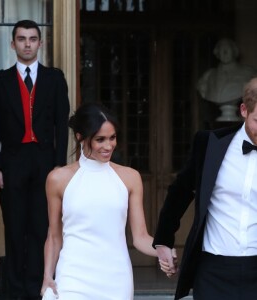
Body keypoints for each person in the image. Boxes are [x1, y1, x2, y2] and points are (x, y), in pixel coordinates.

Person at [0, 20, 70, 300]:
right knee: (14, 226)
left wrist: (59, 165)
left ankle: (37, 287)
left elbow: (61, 122)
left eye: (32, 39)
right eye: (21, 39)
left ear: (40, 43)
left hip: (45, 163)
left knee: (40, 226)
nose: (27, 44)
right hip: (12, 162)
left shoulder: (55, 79)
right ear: (13, 44)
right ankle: (15, 291)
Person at [40, 102, 160, 300]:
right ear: (80, 137)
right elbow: (53, 236)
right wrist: (47, 276)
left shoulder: (130, 177)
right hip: (72, 277)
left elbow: (140, 237)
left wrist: (165, 249)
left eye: (112, 138)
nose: (109, 145)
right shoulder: (57, 179)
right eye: (100, 139)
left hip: (116, 279)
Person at [153, 77, 257, 300]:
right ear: (244, 111)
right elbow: (180, 191)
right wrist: (163, 240)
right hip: (213, 269)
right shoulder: (210, 144)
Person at [197, 38, 256, 121]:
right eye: (221, 49)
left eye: (228, 48)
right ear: (217, 53)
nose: (224, 52)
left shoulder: (249, 73)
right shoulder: (208, 76)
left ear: (234, 51)